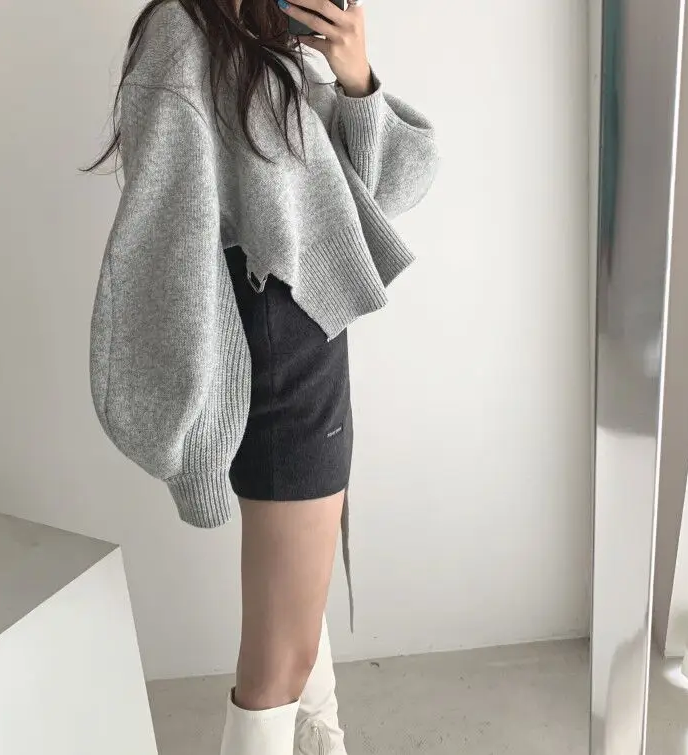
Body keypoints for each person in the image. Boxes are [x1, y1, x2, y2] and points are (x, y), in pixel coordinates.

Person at [86, 0, 438, 752]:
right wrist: (190, 411)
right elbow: (163, 249)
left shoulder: (264, 35)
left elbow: (382, 192)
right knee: (278, 663)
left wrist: (356, 80)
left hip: (308, 344)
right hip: (276, 359)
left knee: (300, 610)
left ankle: (321, 740)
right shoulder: (182, 36)